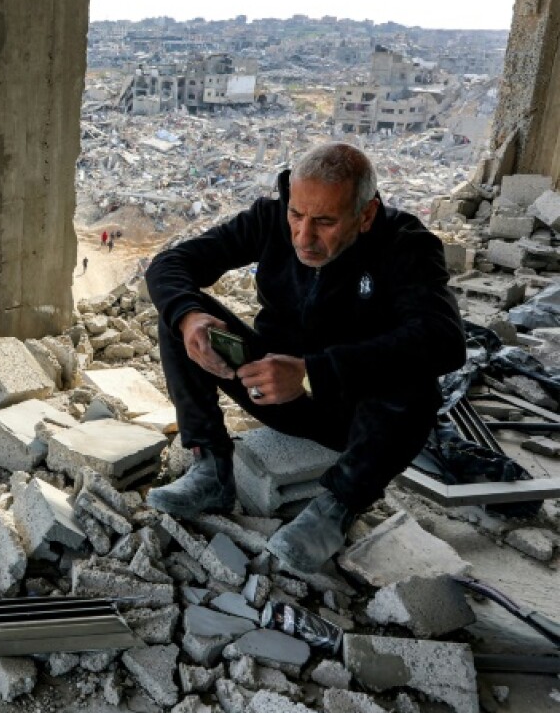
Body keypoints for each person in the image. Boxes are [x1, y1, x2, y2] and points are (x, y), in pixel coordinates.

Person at [143, 142, 465, 573]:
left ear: (365, 215)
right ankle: (211, 467)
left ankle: (337, 506)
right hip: (269, 389)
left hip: (356, 420)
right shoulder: (271, 217)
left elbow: (443, 340)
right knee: (183, 317)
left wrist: (313, 373)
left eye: (326, 222)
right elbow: (171, 263)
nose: (304, 237)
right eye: (297, 216)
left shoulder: (406, 246)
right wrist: (189, 318)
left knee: (416, 383)